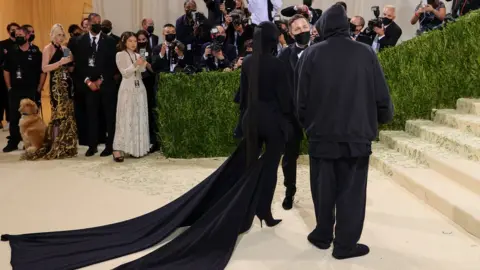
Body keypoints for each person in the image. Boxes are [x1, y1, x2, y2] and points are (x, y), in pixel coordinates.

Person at [1, 21, 293, 270]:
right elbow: (284, 99)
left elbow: (241, 95)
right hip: (272, 122)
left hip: (252, 121)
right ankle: (262, 211)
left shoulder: (251, 62)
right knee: (268, 167)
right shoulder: (279, 65)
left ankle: (252, 209)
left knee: (245, 165)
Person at [296, 4, 394, 259]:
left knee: (322, 189)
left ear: (324, 27)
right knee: (352, 192)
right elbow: (381, 95)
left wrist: (309, 126)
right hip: (357, 136)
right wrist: (382, 119)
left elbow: (300, 102)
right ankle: (345, 245)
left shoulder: (310, 55)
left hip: (321, 137)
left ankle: (322, 235)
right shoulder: (366, 54)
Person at [23, 24, 77, 160]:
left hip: (66, 83)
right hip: (55, 85)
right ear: (53, 35)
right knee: (58, 114)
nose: (61, 37)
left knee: (68, 114)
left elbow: (69, 65)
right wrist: (59, 62)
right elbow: (45, 68)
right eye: (58, 35)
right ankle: (56, 144)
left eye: (62, 35)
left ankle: (66, 145)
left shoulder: (65, 48)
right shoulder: (48, 49)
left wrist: (71, 61)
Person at [68, 13, 117, 157]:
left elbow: (112, 64)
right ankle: (92, 145)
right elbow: (79, 65)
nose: (97, 24)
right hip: (88, 86)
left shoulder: (109, 41)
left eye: (99, 22)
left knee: (109, 116)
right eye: (94, 22)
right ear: (88, 24)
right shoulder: (78, 41)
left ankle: (110, 145)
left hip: (106, 84)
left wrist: (101, 80)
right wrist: (88, 81)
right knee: (91, 116)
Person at [277, 14, 309, 210]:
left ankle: (322, 193)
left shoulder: (320, 51)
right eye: (297, 29)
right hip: (290, 115)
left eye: (304, 27)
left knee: (320, 156)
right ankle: (290, 191)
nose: (302, 31)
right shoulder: (284, 55)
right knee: (289, 157)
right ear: (290, 33)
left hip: (316, 115)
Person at [2, 26, 46, 152]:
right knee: (14, 116)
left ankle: (31, 141)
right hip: (15, 89)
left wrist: (40, 87)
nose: (18, 37)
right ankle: (13, 141)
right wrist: (9, 86)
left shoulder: (36, 52)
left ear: (27, 36)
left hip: (31, 89)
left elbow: (43, 71)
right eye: (16, 35)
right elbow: (6, 71)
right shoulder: (12, 51)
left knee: (31, 117)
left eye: (21, 34)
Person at [111, 32, 150, 162]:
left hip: (139, 89)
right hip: (127, 89)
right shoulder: (120, 54)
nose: (133, 44)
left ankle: (136, 148)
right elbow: (125, 73)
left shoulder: (139, 54)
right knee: (125, 117)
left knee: (138, 116)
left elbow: (142, 71)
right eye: (130, 41)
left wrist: (142, 62)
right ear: (124, 42)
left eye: (135, 41)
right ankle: (118, 148)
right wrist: (135, 64)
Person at [0, 22, 20, 131]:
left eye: (16, 29)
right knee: (2, 98)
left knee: (11, 99)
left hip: (17, 76)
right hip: (3, 75)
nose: (14, 31)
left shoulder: (21, 43)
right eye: (12, 29)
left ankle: (10, 120)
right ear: (8, 31)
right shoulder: (2, 44)